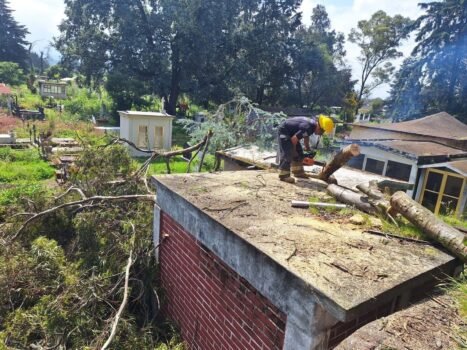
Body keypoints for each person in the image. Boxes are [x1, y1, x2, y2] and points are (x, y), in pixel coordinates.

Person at [277, 114, 334, 184]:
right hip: (284, 130)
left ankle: (298, 172)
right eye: (322, 131)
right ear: (319, 126)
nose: (321, 133)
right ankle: (283, 175)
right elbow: (294, 140)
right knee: (288, 152)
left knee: (299, 152)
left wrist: (307, 148)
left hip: (292, 133)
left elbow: (305, 135)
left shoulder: (312, 126)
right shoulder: (308, 127)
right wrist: (294, 152)